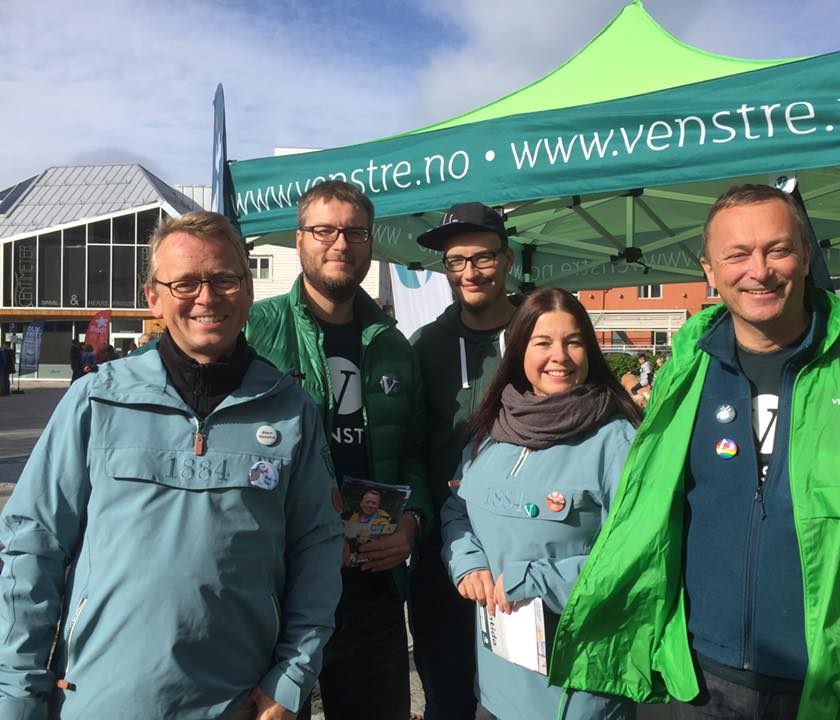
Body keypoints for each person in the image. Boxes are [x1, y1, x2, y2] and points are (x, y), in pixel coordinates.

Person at [549, 185, 840, 719]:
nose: (759, 270)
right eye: (737, 255)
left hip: (838, 688)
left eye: (778, 249)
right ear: (710, 271)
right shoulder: (685, 370)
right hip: (697, 681)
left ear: (806, 255)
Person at [0, 211, 343, 719]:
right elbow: (33, 544)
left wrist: (292, 678)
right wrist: (17, 693)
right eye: (185, 282)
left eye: (224, 279)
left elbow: (318, 548)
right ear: (153, 298)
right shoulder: (97, 400)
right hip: (101, 700)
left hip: (240, 703)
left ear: (248, 289)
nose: (206, 297)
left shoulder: (289, 409)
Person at [245, 179, 429, 720]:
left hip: (370, 587)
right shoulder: (256, 330)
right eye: (324, 230)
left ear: (371, 243)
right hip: (275, 587)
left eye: (354, 231)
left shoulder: (394, 345)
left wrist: (411, 526)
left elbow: (415, 452)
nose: (340, 243)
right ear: (299, 241)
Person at [442, 287, 641, 720]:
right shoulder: (491, 431)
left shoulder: (616, 440)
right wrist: (468, 562)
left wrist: (534, 578)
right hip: (496, 689)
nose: (560, 356)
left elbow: (635, 557)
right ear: (518, 352)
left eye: (573, 341)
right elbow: (457, 510)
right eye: (543, 342)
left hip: (577, 695)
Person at [409, 201, 521, 720]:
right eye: (456, 261)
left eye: (482, 258)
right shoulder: (425, 346)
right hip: (443, 556)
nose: (470, 272)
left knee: (524, 703)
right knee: (447, 701)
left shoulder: (540, 336)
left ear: (508, 259)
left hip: (522, 558)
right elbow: (408, 445)